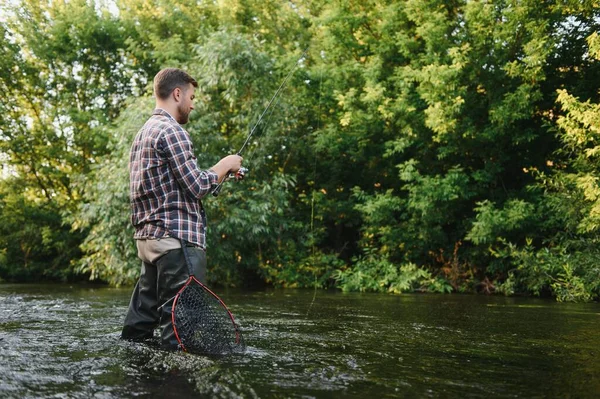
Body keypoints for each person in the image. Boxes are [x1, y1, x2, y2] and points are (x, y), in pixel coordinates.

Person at [121, 67, 243, 350]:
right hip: (176, 243)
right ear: (177, 93)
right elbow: (198, 185)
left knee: (141, 323)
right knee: (181, 327)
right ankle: (176, 387)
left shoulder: (143, 133)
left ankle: (137, 381)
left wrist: (221, 174)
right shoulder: (171, 131)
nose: (193, 103)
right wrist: (225, 164)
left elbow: (178, 187)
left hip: (149, 242)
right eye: (191, 96)